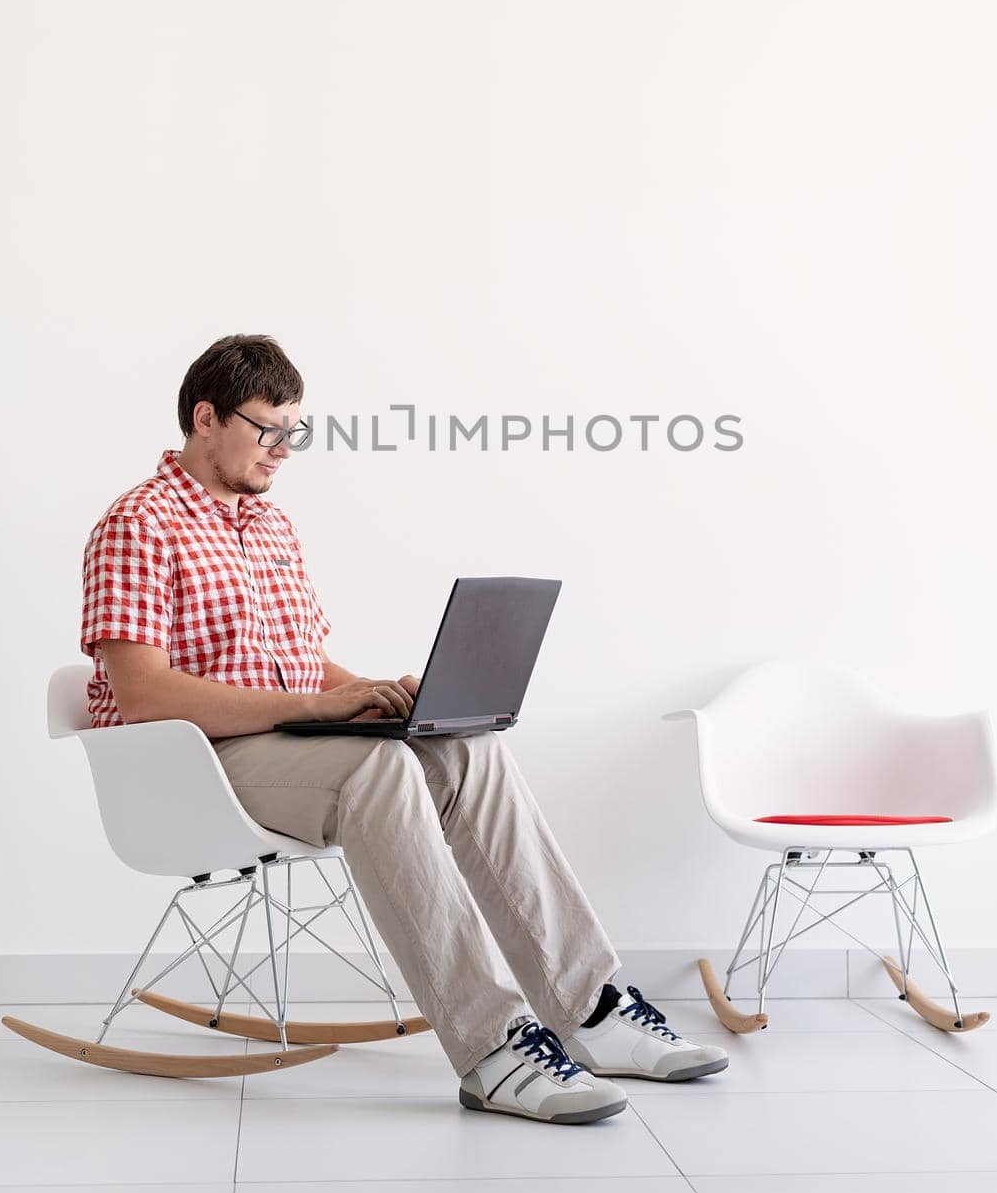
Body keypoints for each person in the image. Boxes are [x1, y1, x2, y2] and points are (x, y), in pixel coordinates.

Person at [79, 332, 729, 1123]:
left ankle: (589, 1007)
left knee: (462, 746)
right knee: (378, 772)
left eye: (295, 432)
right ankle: (492, 1047)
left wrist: (382, 696)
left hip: (285, 746)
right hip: (195, 767)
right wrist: (312, 710)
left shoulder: (270, 528)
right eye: (267, 429)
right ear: (206, 417)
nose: (284, 450)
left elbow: (301, 666)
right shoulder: (137, 523)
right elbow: (143, 695)